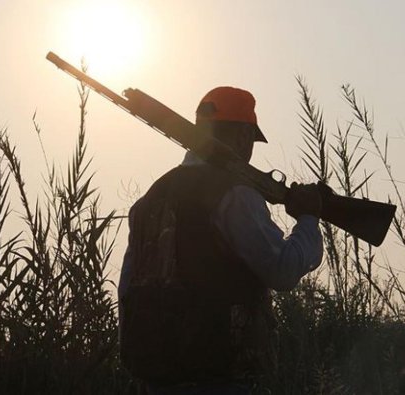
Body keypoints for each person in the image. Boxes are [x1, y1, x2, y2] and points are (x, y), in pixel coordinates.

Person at [118, 86, 324, 394]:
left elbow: (126, 292)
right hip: (221, 380)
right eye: (250, 139)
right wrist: (308, 219)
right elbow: (282, 271)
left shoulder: (150, 199)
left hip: (157, 383)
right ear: (243, 136)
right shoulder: (235, 194)